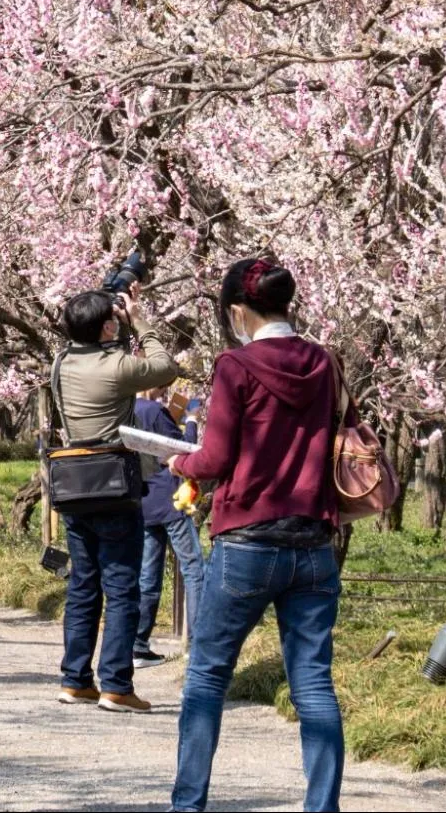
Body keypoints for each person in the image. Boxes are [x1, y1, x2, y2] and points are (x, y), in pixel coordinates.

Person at [167, 259, 351, 813]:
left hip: (248, 541)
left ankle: (188, 805)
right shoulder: (325, 362)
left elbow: (217, 456)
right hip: (315, 542)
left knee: (206, 675)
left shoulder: (235, 366)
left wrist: (182, 463)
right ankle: (323, 807)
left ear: (238, 311)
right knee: (314, 685)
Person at [52, 285, 179, 714]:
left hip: (72, 484)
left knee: (83, 584)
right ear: (109, 324)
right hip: (113, 483)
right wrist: (138, 321)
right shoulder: (119, 366)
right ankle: (116, 685)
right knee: (122, 586)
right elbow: (166, 367)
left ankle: (75, 679)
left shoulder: (61, 363)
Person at [133, 384, 203, 665]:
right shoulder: (155, 410)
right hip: (169, 499)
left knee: (148, 575)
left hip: (142, 500)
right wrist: (192, 420)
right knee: (194, 568)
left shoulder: (123, 410)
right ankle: (197, 645)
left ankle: (138, 644)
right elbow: (184, 450)